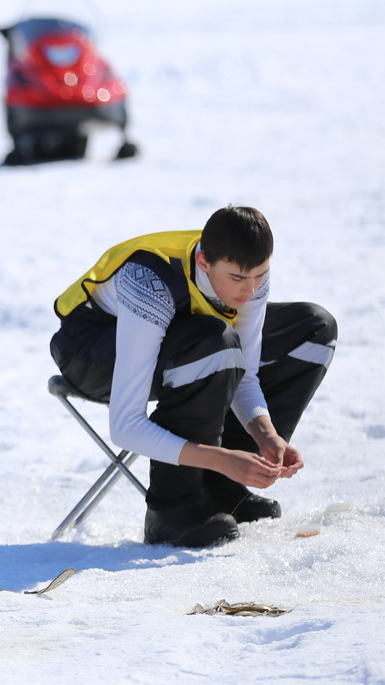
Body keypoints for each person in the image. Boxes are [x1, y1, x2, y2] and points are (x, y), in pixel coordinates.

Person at [50, 206, 337, 547]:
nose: (251, 289)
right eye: (237, 279)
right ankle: (173, 509)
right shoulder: (149, 281)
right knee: (213, 340)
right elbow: (125, 425)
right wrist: (220, 459)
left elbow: (244, 372)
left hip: (184, 341)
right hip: (91, 352)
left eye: (261, 275)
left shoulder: (248, 274)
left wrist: (267, 435)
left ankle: (221, 489)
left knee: (314, 328)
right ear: (204, 263)